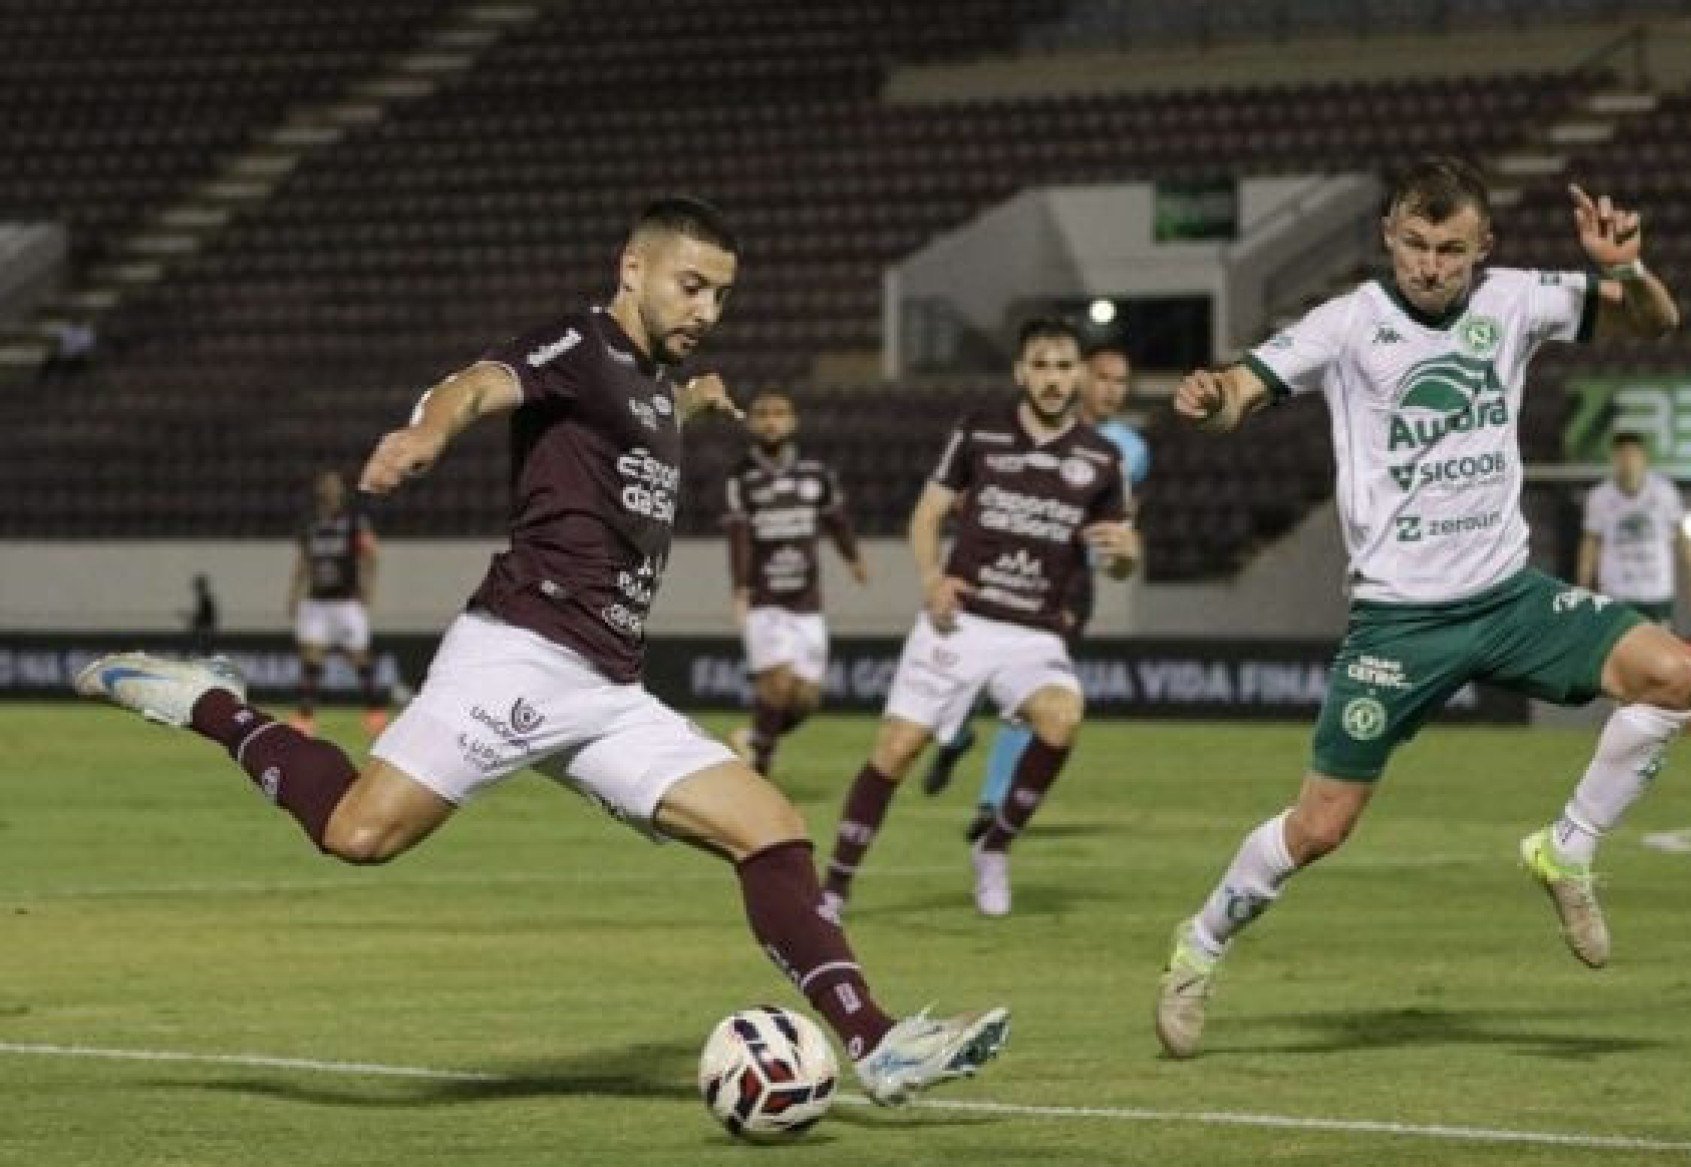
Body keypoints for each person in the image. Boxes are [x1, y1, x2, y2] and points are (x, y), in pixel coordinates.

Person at [74, 196, 1007, 1105]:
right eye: (691, 285)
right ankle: (211, 703)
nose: (707, 310)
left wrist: (690, 402)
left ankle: (878, 1044)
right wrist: (428, 431)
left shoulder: (645, 384)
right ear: (632, 269)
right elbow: (477, 382)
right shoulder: (583, 344)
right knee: (358, 833)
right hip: (518, 651)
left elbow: (629, 420)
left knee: (770, 828)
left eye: (721, 295)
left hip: (608, 687)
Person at [1155, 158, 1691, 1058]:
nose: (1431, 265)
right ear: (1389, 238)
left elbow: (1656, 321)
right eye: (1415, 244)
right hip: (1398, 623)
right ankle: (1199, 945)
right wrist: (1212, 401)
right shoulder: (1347, 324)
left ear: (1483, 247)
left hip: (1508, 596)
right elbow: (1242, 392)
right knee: (1322, 826)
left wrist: (1624, 270)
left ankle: (1567, 847)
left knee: (1675, 673)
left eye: (1451, 248)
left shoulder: (1518, 300)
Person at [820, 317, 1140, 920]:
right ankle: (834, 888)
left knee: (1063, 716)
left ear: (1079, 376)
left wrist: (1128, 557)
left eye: (1064, 366)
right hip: (962, 622)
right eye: (1041, 365)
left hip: (1034, 633)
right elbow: (926, 515)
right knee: (896, 749)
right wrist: (931, 579)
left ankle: (994, 848)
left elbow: (1122, 555)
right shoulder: (979, 432)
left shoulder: (1102, 460)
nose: (1052, 378)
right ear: (1021, 372)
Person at [921, 345, 1150, 842]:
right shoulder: (1017, 429)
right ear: (1079, 377)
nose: (1113, 390)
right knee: (968, 679)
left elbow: (1121, 521)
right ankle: (956, 738)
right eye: (1104, 378)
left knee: (1031, 691)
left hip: (1066, 585)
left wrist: (1122, 550)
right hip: (997, 574)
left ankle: (992, 802)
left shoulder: (1126, 449)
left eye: (1123, 381)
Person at [723, 390, 868, 776]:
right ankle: (761, 770)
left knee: (806, 698)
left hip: (808, 601)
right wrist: (740, 590)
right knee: (778, 684)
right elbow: (738, 537)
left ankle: (754, 741)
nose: (771, 421)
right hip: (765, 598)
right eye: (763, 414)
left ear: (793, 422)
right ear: (752, 423)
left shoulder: (816, 474)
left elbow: (836, 520)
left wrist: (853, 557)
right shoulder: (742, 477)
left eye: (779, 413)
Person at [288, 470, 387, 737]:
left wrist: (368, 587)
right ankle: (305, 717)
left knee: (359, 657)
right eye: (325, 484)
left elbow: (371, 554)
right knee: (311, 656)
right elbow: (303, 562)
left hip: (346, 601)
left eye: (334, 485)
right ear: (319, 489)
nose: (329, 489)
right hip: (316, 601)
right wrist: (294, 595)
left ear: (341, 491)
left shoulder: (355, 521)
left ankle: (375, 711)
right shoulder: (309, 523)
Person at [1576, 430, 1691, 627]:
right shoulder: (1599, 497)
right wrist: (1583, 586)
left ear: (1643, 458)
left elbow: (1684, 539)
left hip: (1656, 592)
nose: (1628, 462)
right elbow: (1590, 544)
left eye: (1633, 455)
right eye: (1622, 455)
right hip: (1617, 593)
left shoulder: (1664, 492)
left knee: (1660, 653)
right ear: (1613, 459)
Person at [186, 574, 219, 656]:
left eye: (197, 586)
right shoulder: (205, 599)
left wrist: (194, 621)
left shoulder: (205, 599)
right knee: (203, 646)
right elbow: (205, 615)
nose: (196, 589)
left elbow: (205, 616)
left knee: (203, 646)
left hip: (205, 628)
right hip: (205, 628)